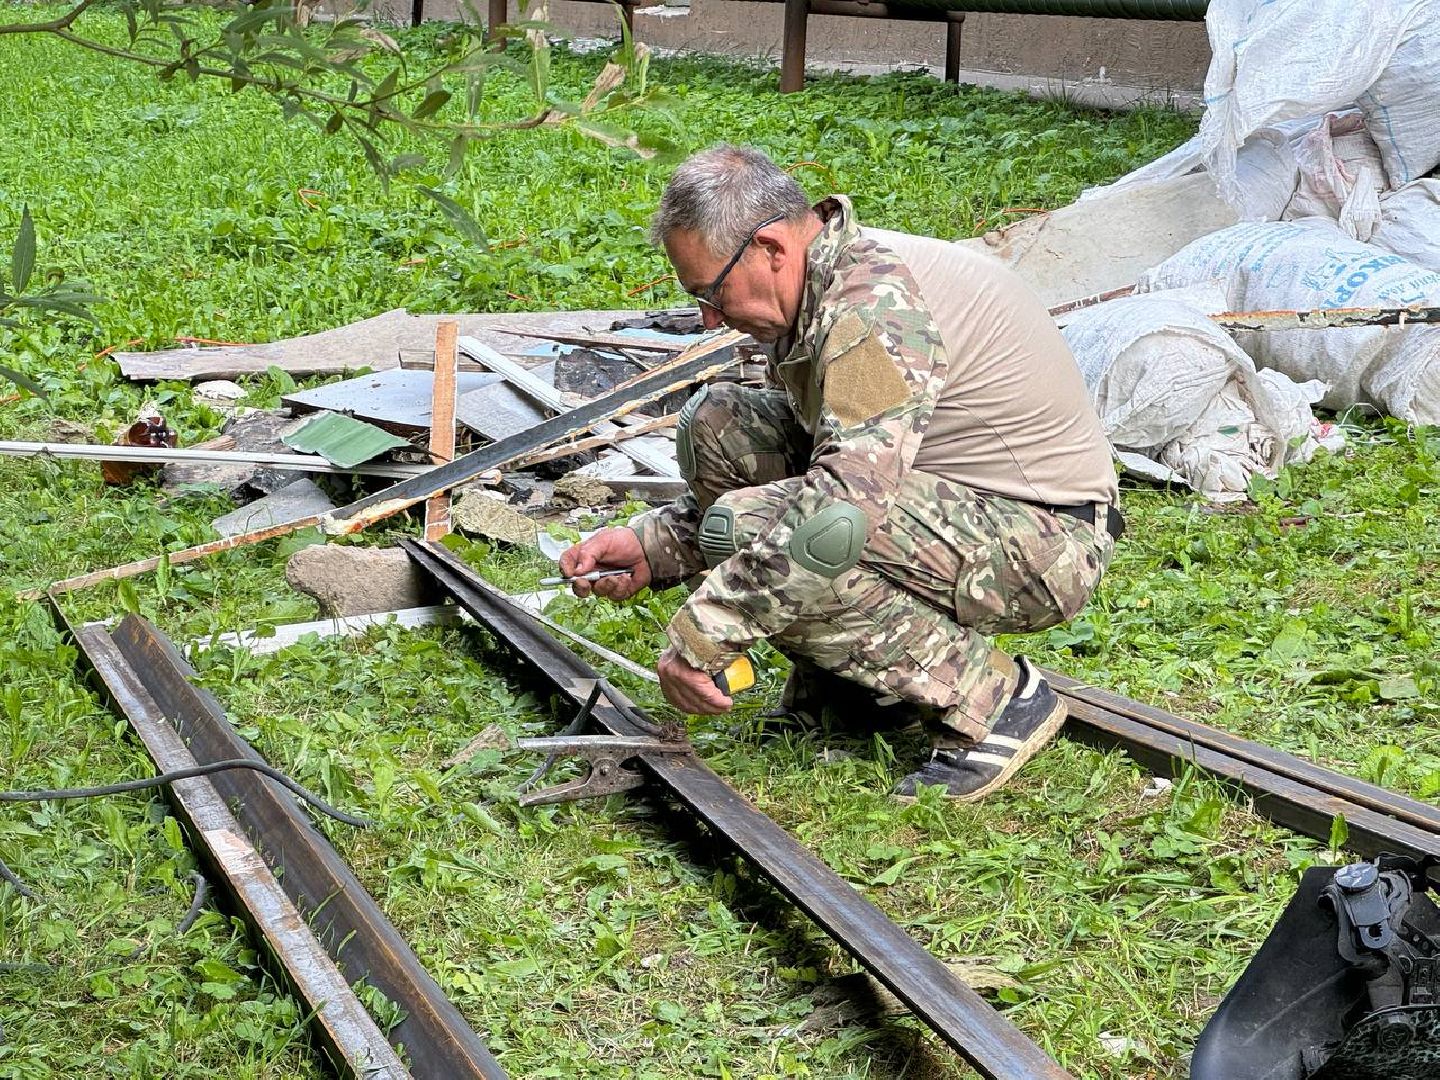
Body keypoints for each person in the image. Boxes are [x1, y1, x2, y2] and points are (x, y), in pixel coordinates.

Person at [560, 144, 1121, 801]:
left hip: (1044, 541)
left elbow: (835, 515)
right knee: (715, 426)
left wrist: (705, 633)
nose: (710, 318)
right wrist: (657, 547)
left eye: (711, 293)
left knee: (755, 531)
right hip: (948, 505)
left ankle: (994, 700)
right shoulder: (817, 283)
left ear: (770, 246)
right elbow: (819, 454)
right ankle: (856, 686)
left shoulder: (871, 312)